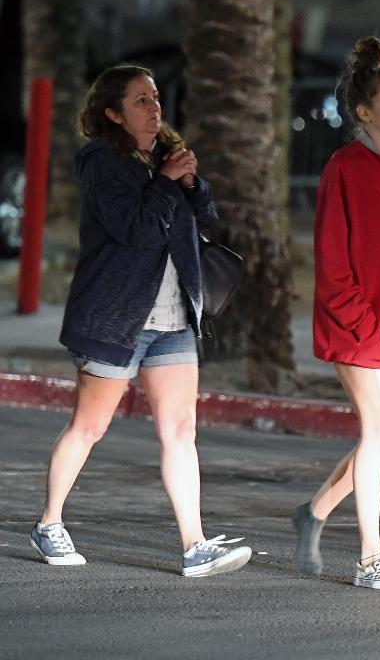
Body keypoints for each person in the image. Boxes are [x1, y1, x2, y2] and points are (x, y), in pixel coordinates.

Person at [31, 65, 252, 577]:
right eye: (140, 101)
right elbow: (136, 229)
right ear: (113, 113)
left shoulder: (163, 158)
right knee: (89, 426)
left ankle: (195, 545)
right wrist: (166, 182)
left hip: (174, 316)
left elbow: (204, 219)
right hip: (116, 317)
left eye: (155, 97)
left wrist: (191, 184)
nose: (154, 107)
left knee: (180, 430)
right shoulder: (100, 161)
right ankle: (49, 523)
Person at [291, 37, 380, 590]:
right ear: (364, 110)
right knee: (377, 437)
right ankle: (370, 557)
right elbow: (331, 257)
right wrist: (360, 316)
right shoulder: (344, 168)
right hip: (353, 324)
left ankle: (314, 512)